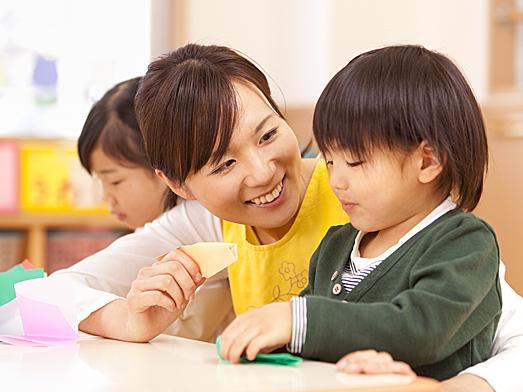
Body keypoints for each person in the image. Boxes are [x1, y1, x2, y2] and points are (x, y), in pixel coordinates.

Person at [51, 44, 523, 391]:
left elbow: (492, 332)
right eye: (224, 164)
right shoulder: (316, 236)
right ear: (179, 185)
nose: (262, 173)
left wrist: (463, 387)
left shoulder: (391, 208)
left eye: (268, 133)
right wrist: (132, 321)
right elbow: (51, 295)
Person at [217, 45, 501, 381]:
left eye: (354, 162)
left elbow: (421, 328)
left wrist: (297, 320)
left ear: (427, 161)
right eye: (331, 161)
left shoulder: (465, 242)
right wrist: (268, 340)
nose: (336, 180)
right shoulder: (336, 247)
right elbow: (306, 341)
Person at [77, 77, 177, 230]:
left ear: (166, 165)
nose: (106, 198)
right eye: (100, 180)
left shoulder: (196, 219)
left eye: (114, 181)